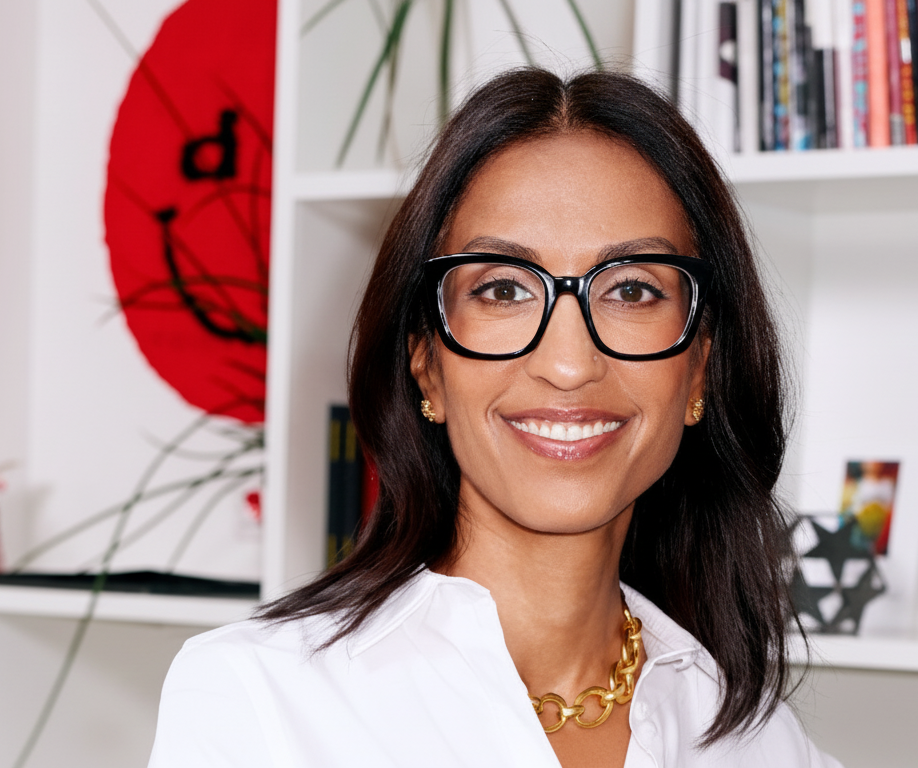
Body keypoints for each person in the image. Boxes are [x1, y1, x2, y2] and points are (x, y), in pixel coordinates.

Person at [147, 68, 842, 768]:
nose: (568, 365)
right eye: (503, 288)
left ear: (699, 369)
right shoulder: (259, 702)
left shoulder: (760, 742)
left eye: (632, 289)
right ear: (426, 365)